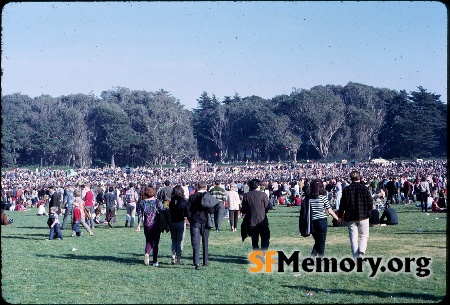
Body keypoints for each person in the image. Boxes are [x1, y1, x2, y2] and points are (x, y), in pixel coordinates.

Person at [338, 170, 373, 258]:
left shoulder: (346, 189)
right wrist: (369, 213)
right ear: (360, 177)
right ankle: (361, 252)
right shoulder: (365, 188)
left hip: (350, 217)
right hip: (363, 216)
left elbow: (342, 204)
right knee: (364, 235)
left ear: (350, 179)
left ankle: (355, 257)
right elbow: (370, 203)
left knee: (353, 238)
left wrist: (339, 216)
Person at [186, 181, 215, 270]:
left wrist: (190, 219)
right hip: (205, 220)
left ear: (197, 187)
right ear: (206, 187)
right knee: (205, 241)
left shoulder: (192, 197)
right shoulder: (208, 196)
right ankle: (205, 261)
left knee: (195, 242)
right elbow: (211, 210)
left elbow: (188, 210)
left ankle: (196, 262)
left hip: (195, 221)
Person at [308, 179, 340, 257]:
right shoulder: (323, 198)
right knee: (321, 241)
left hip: (312, 222)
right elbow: (330, 210)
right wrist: (338, 219)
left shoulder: (309, 198)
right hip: (322, 221)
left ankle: (312, 256)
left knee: (318, 241)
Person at [136, 186, 165, 266]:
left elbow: (139, 215)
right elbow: (162, 210)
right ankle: (155, 261)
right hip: (156, 223)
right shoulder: (157, 201)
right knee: (155, 242)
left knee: (148, 240)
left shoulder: (142, 202)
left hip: (146, 224)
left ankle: (147, 253)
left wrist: (138, 225)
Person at [240, 178, 270, 252]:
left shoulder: (246, 195)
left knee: (254, 240)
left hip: (251, 220)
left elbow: (243, 209)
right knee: (265, 238)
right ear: (258, 186)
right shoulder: (263, 195)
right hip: (262, 219)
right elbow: (267, 207)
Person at [168, 185, 188, 265]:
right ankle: (178, 259)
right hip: (180, 222)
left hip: (172, 222)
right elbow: (186, 213)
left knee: (173, 240)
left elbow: (168, 211)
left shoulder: (170, 202)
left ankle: (173, 255)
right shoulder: (184, 202)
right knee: (180, 241)